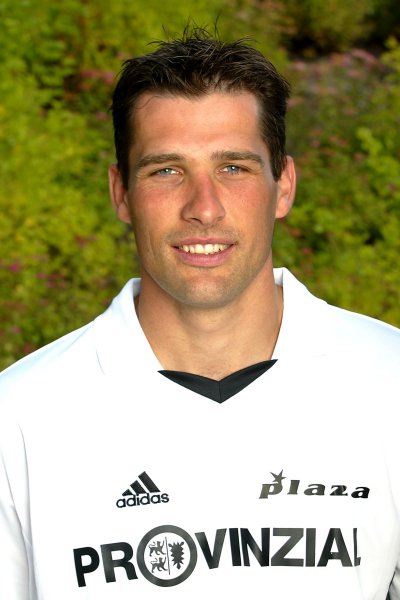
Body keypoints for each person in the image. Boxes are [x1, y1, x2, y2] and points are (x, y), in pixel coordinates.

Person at [0, 28, 399, 600]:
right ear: (121, 193)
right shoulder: (17, 418)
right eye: (166, 170)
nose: (204, 208)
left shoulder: (390, 384)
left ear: (284, 185)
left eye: (233, 168)